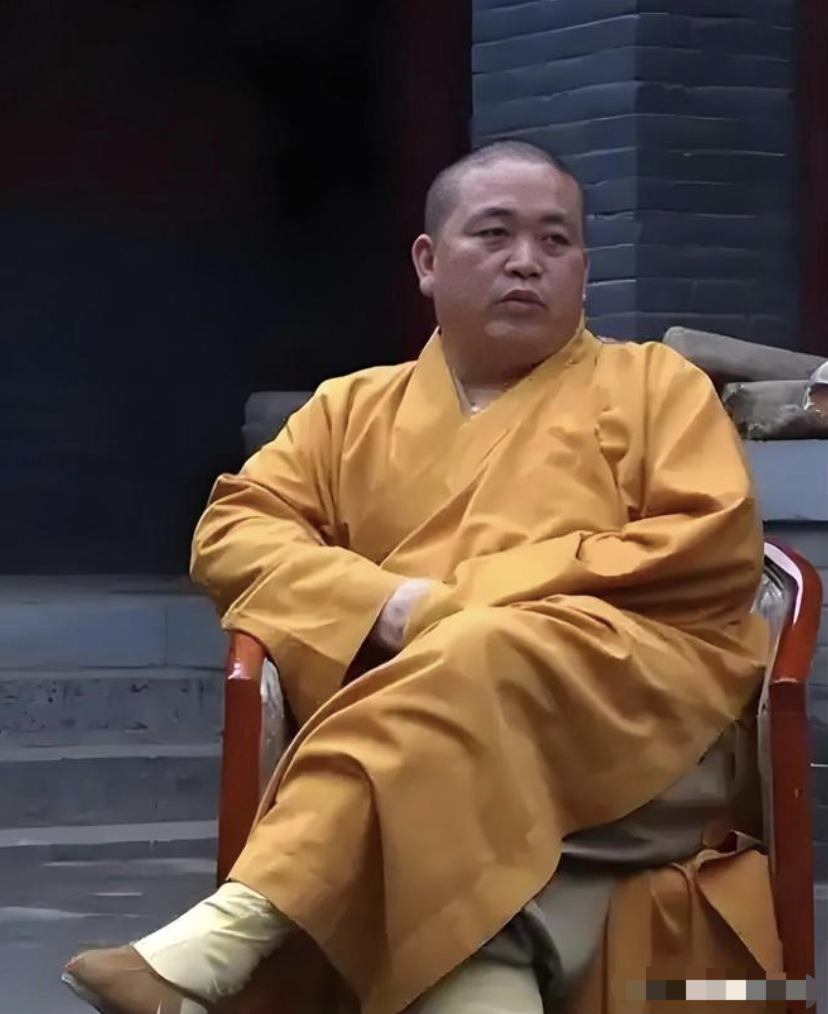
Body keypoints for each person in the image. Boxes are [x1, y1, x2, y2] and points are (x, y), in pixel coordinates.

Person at [62, 141, 779, 1014]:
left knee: (487, 645)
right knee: (452, 827)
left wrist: (467, 610)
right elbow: (234, 531)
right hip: (426, 753)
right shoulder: (349, 410)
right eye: (495, 234)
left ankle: (233, 932)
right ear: (428, 262)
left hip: (634, 736)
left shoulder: (657, 386)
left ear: (586, 271)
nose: (527, 261)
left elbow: (705, 539)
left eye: (556, 241)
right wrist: (390, 607)